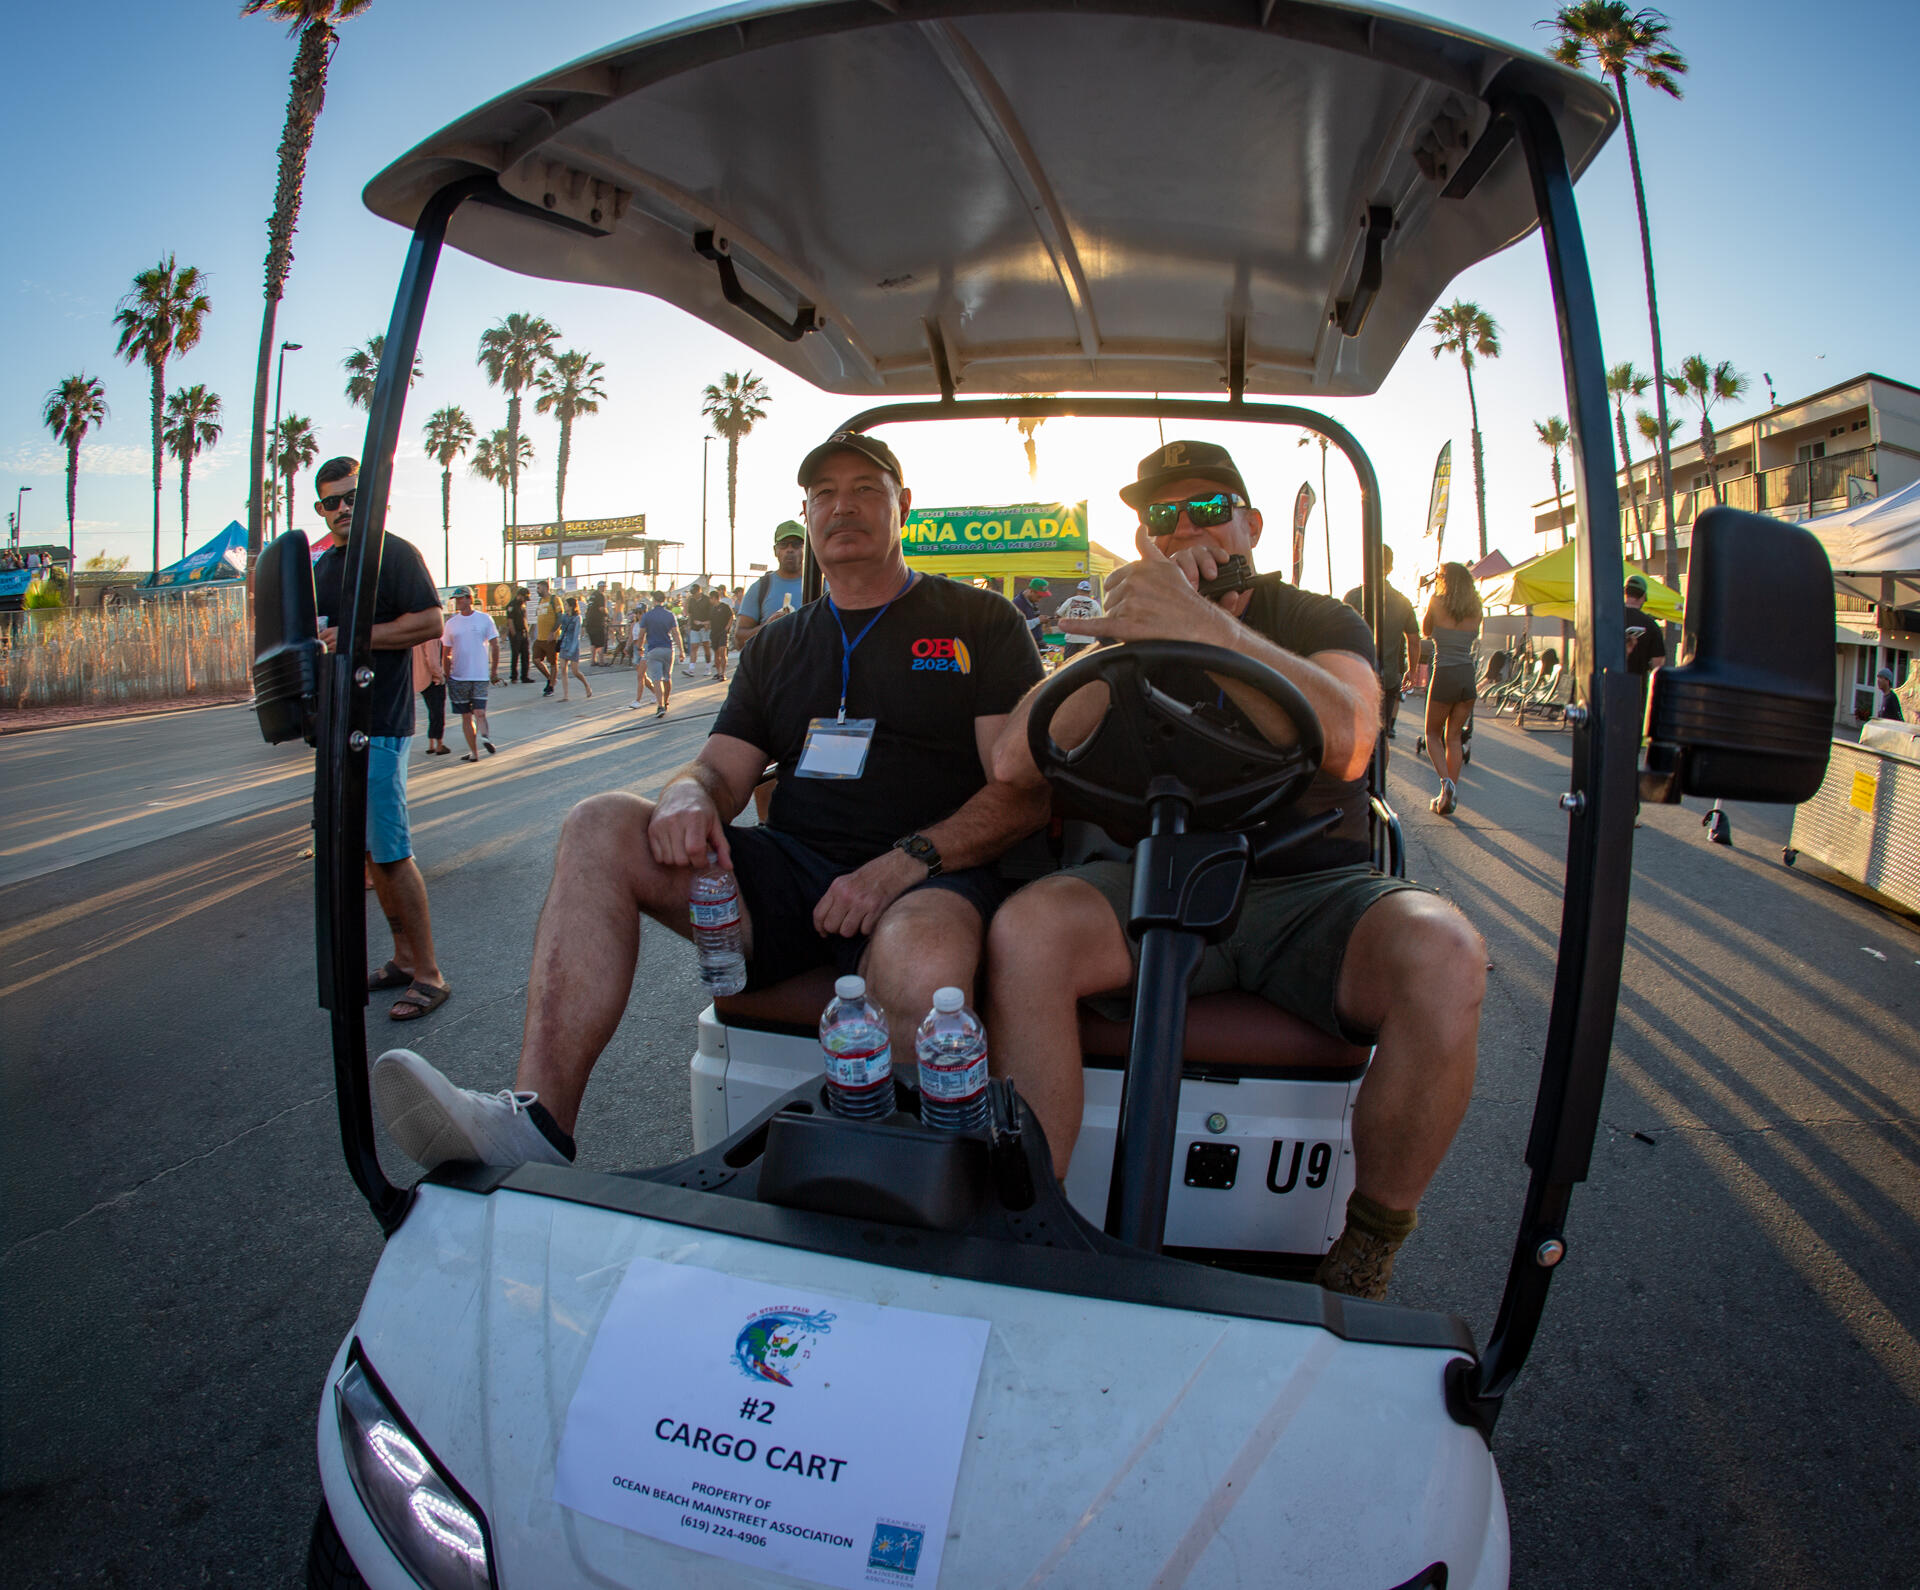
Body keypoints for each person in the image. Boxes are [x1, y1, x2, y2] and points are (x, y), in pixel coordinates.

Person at [370, 430, 1049, 1170]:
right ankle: (534, 1124)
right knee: (599, 822)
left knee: (919, 959)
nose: (841, 506)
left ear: (903, 507)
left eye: (864, 489)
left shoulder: (979, 623)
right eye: (824, 493)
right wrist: (687, 798)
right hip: (789, 873)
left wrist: (902, 863)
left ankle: (922, 1187)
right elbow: (719, 775)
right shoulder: (776, 646)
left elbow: (1018, 793)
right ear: (806, 512)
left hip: (928, 874)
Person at [984, 440, 1486, 1301]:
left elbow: (1349, 739)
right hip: (1151, 878)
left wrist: (1203, 628)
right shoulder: (1126, 619)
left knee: (1445, 953)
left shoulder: (1319, 619)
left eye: (1211, 508)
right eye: (1163, 515)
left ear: (1252, 524)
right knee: (1028, 930)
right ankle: (1040, 1223)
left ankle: (1366, 1246)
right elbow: (1012, 763)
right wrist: (1130, 638)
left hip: (1311, 892)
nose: (1188, 527)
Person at [309, 455, 452, 1022]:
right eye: (331, 501)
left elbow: (429, 622)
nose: (342, 508)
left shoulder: (395, 554)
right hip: (341, 727)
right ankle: (401, 960)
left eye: (351, 497)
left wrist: (353, 636)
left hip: (383, 725)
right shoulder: (325, 568)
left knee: (392, 855)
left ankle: (431, 975)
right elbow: (316, 638)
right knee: (372, 853)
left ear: (373, 500)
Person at [1342, 546, 1421, 754]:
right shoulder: (1402, 602)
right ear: (1391, 567)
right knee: (1381, 736)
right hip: (1388, 676)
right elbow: (1414, 639)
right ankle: (1378, 780)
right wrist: (1412, 672)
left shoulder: (1352, 597)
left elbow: (1339, 634)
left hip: (1355, 675)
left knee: (1355, 733)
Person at [1422, 562, 1482, 816]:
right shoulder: (1476, 607)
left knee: (1432, 734)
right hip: (1467, 677)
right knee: (1454, 736)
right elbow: (1474, 634)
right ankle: (1450, 792)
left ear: (1444, 579)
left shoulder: (1436, 601)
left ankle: (1445, 784)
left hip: (1444, 673)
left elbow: (1425, 631)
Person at [442, 587, 501, 760]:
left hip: (480, 675)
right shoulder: (451, 623)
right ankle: (474, 752)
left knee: (479, 712)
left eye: (460, 599)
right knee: (466, 716)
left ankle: (485, 738)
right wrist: (447, 675)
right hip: (459, 676)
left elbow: (495, 644)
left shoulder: (484, 619)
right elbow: (446, 651)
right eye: (456, 599)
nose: (457, 602)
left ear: (469, 599)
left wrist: (494, 670)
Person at [735, 523, 807, 644]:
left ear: (807, 549)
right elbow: (739, 640)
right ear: (775, 550)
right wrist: (769, 627)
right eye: (783, 545)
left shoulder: (823, 586)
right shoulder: (760, 588)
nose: (790, 550)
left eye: (796, 545)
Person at [631, 590, 681, 715]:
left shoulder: (648, 616)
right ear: (664, 600)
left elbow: (641, 634)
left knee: (656, 679)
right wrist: (681, 650)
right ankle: (666, 700)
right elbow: (676, 633)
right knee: (667, 677)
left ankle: (660, 705)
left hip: (653, 649)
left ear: (654, 601)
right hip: (668, 648)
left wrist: (639, 647)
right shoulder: (670, 615)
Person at [414, 621, 450, 757]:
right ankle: (439, 744)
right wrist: (440, 676)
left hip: (419, 678)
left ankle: (431, 743)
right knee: (438, 712)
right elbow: (433, 660)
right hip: (432, 679)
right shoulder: (432, 636)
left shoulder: (418, 634)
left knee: (431, 711)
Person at [1622, 574, 1667, 678]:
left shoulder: (1608, 619)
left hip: (1607, 686)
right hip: (1637, 687)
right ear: (1643, 596)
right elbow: (1657, 666)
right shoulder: (1651, 625)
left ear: (1625, 593)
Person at [1052, 579, 1103, 660]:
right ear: (1089, 592)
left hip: (1072, 637)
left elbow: (1058, 615)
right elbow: (1100, 623)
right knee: (1086, 664)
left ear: (1078, 590)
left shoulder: (1070, 600)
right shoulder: (1095, 604)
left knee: (1068, 663)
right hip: (1088, 639)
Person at [557, 596, 592, 701]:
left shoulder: (577, 618)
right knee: (563, 669)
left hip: (573, 646)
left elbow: (577, 635)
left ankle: (586, 685)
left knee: (575, 671)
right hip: (564, 645)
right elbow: (561, 629)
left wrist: (572, 650)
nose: (565, 606)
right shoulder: (564, 617)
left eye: (566, 604)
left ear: (571, 606)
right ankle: (565, 695)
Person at [533, 583, 561, 694]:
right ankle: (550, 678)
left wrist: (552, 632)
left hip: (551, 638)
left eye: (538, 588)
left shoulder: (554, 599)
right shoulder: (540, 601)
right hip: (540, 638)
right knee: (536, 660)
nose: (537, 590)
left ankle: (551, 686)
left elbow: (560, 617)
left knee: (553, 662)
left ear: (545, 588)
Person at [684, 580, 713, 676]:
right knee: (694, 647)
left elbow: (711, 614)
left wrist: (708, 624)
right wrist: (688, 624)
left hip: (705, 627)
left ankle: (708, 667)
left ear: (699, 591)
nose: (694, 595)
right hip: (694, 627)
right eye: (692, 593)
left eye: (695, 593)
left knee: (706, 646)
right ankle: (691, 669)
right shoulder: (691, 600)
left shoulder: (707, 600)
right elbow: (690, 614)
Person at [503, 586, 531, 684]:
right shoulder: (512, 605)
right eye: (524, 598)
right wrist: (514, 635)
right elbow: (510, 621)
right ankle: (514, 677)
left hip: (524, 633)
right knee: (515, 656)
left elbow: (524, 620)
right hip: (516, 633)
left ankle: (525, 676)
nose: (525, 601)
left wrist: (527, 632)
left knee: (525, 655)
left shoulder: (523, 606)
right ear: (519, 596)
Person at [709, 585, 735, 684]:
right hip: (714, 633)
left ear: (714, 598)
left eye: (710, 598)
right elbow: (710, 620)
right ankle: (718, 672)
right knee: (716, 654)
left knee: (722, 652)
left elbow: (731, 616)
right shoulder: (711, 609)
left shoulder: (724, 606)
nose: (710, 600)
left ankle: (723, 673)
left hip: (723, 633)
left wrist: (727, 628)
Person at [1012, 576, 1049, 646]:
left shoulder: (1031, 601)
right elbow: (1017, 625)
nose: (1039, 600)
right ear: (1031, 591)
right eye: (1038, 597)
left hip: (1035, 642)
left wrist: (1041, 620)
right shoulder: (1017, 603)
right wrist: (1038, 620)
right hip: (1024, 644)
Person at [586, 583, 609, 666]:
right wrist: (607, 614)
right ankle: (602, 661)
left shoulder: (592, 595)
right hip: (597, 622)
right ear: (600, 587)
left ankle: (592, 660)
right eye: (603, 587)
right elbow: (602, 608)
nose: (604, 589)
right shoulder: (601, 596)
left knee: (593, 642)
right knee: (601, 642)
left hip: (589, 621)